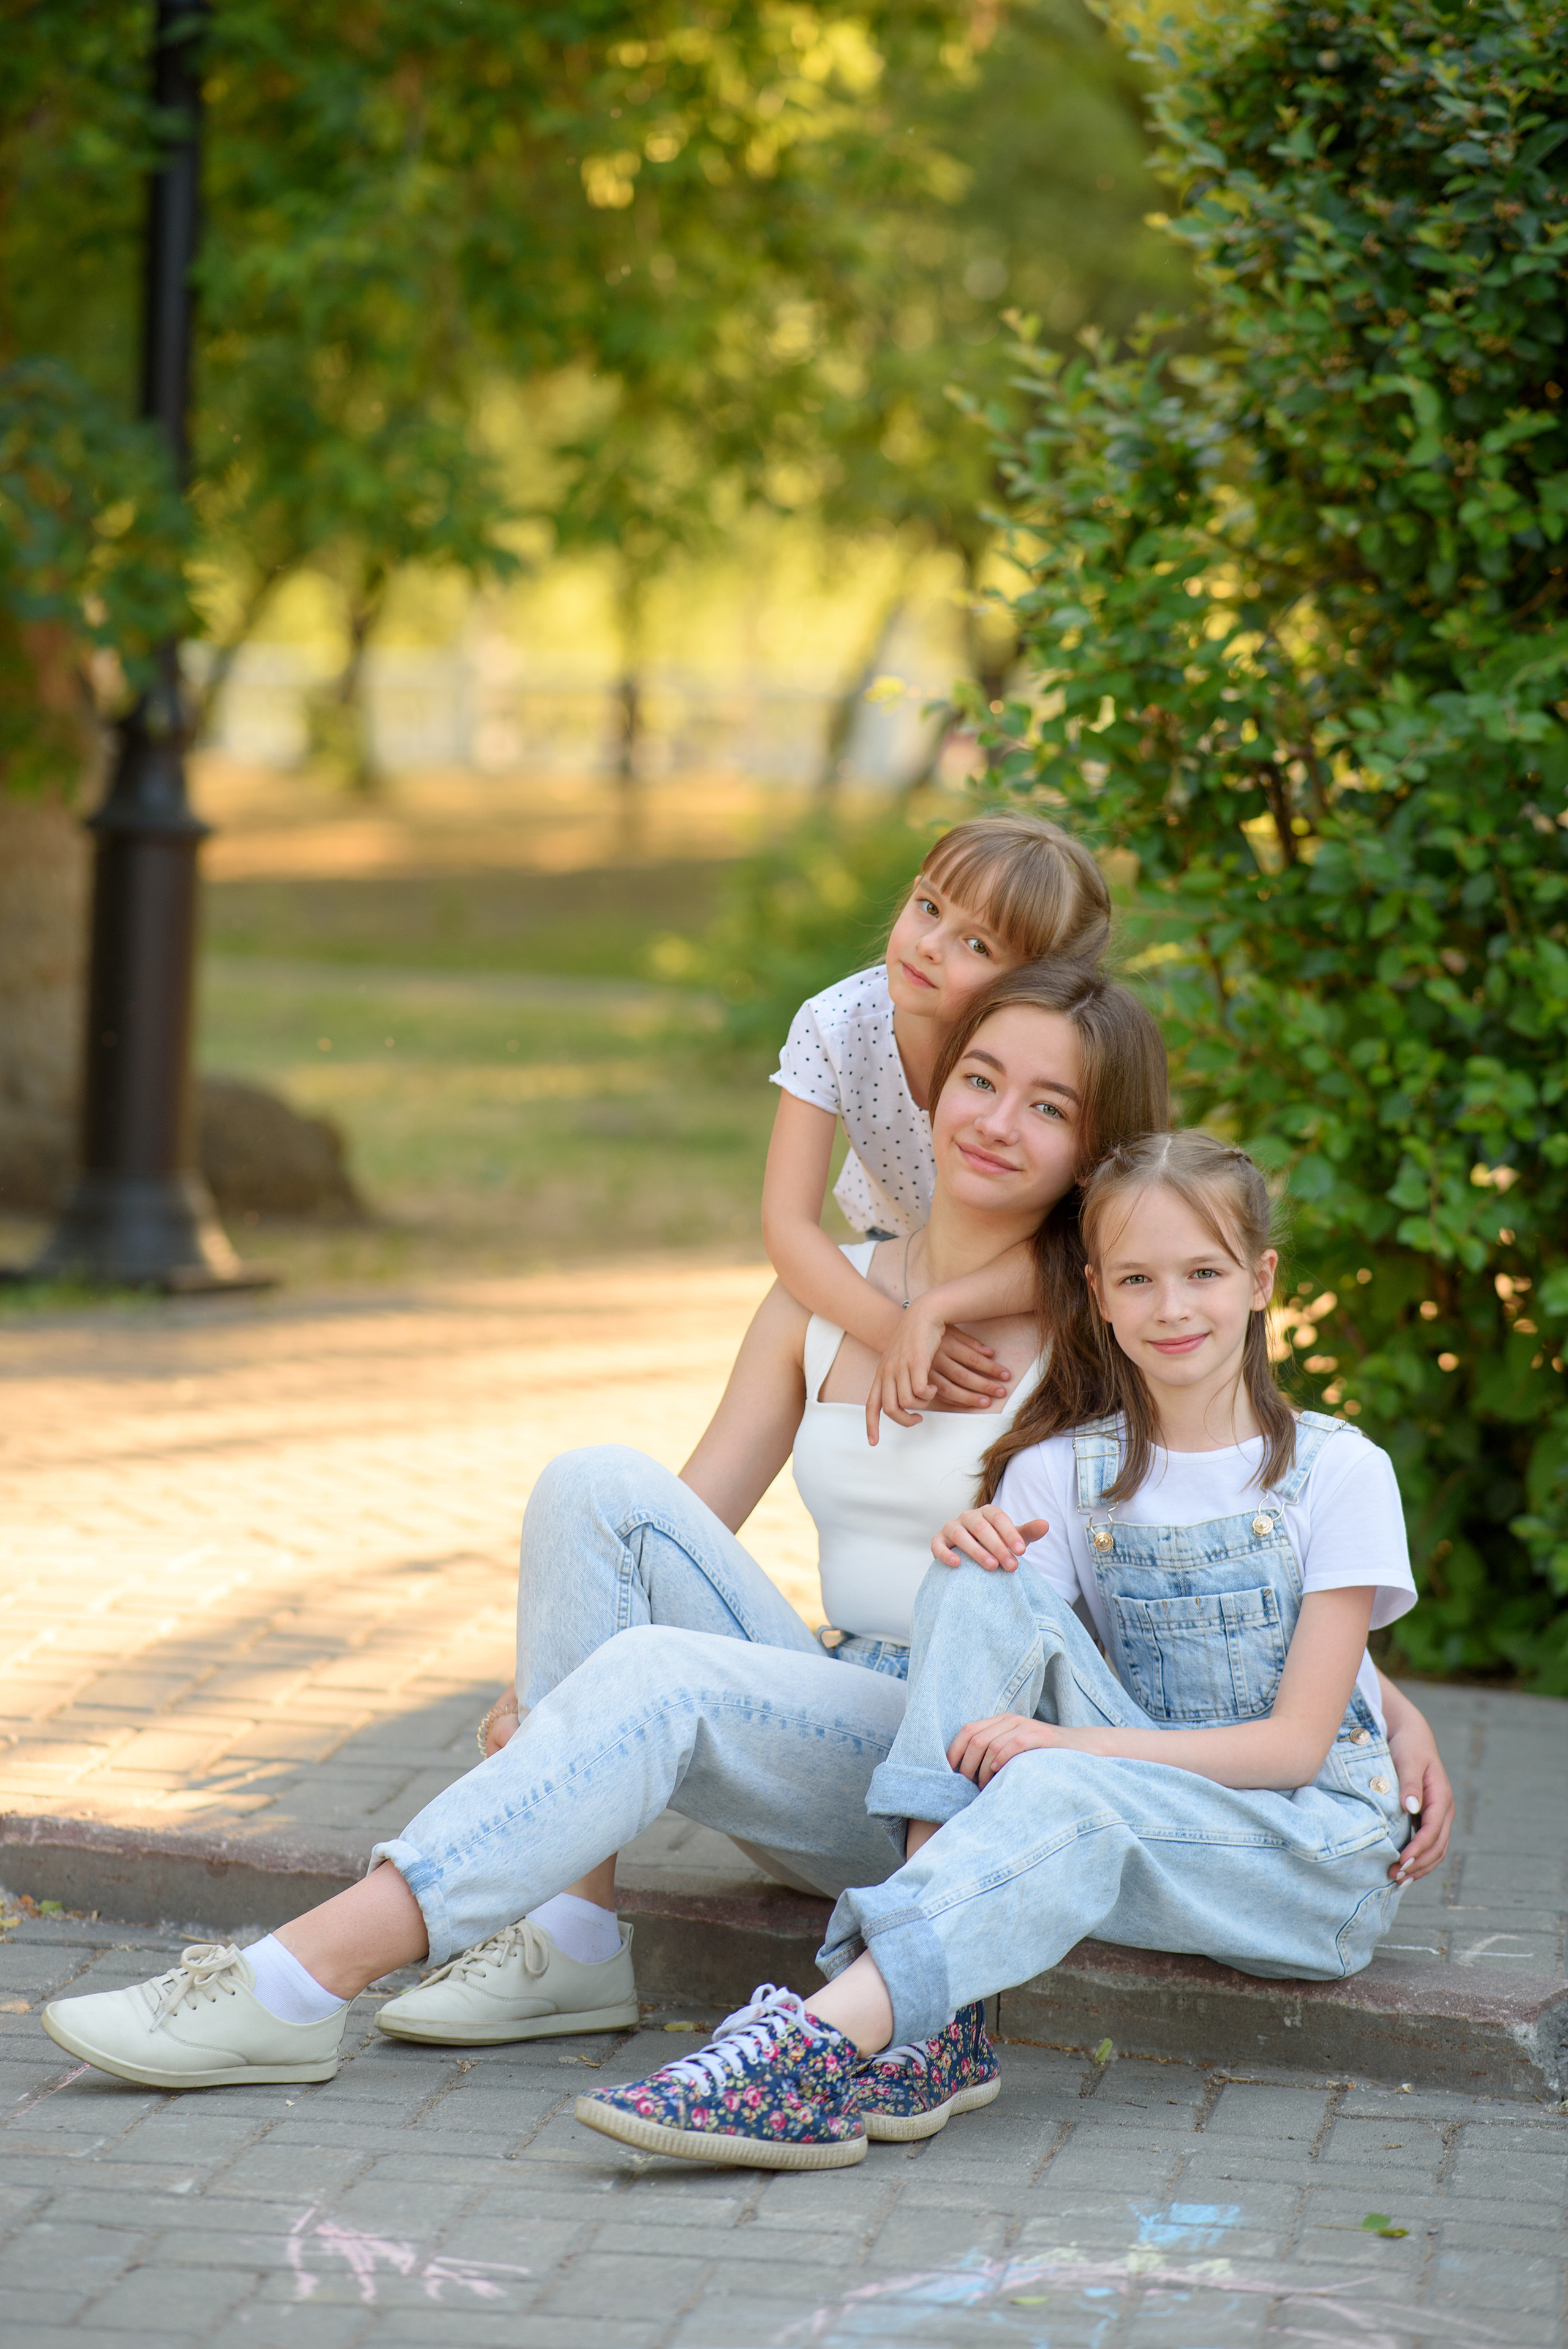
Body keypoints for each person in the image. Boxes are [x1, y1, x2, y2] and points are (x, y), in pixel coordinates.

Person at [39, 963, 1171, 2150]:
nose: (997, 1120)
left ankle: (293, 1981)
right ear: (934, 1089)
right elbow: (674, 1526)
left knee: (658, 1678)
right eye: (981, 1079)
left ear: (1093, 1153)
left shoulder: (1108, 1328)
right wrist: (549, 1698)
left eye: (1048, 1106)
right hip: (824, 1721)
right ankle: (570, 1937)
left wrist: (1331, 1722)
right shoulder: (822, 1299)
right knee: (594, 1484)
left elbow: (1183, 1575)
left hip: (959, 1777)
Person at [540, 1128, 1453, 2170]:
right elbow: (1009, 1647)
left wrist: (1072, 1749)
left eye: (1204, 1272)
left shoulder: (1339, 1469)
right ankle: (928, 2033)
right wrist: (974, 1568)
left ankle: (809, 2046)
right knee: (977, 1572)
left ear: (1261, 1280)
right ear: (1097, 1294)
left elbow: (1294, 1746)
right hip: (1150, 1809)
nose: (1173, 1306)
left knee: (1066, 1788)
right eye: (1139, 1279)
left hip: (1308, 1855)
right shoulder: (1067, 1470)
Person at [764, 811, 1111, 1427]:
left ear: (1039, 980)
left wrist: (939, 1310)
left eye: (977, 945)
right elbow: (788, 1227)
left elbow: (1095, 1239)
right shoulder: (837, 1024)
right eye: (928, 907)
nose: (929, 945)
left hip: (1036, 1265)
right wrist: (896, 1329)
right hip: (897, 1251)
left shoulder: (1058, 1060)